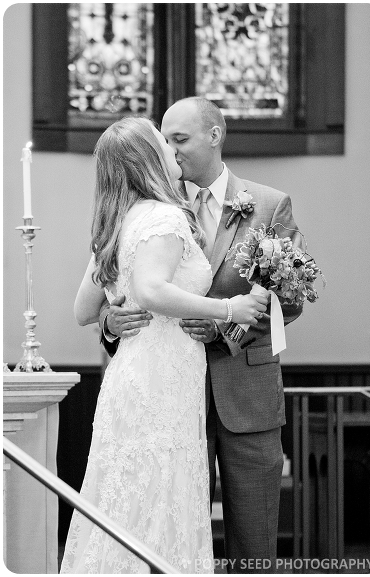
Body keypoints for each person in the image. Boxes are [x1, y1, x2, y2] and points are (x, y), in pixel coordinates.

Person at [99, 97, 304, 573]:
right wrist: (111, 325)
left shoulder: (269, 205)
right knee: (173, 534)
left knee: (254, 548)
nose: (170, 151)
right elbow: (117, 282)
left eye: (180, 139)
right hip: (170, 403)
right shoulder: (151, 208)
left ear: (215, 135)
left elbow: (289, 298)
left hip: (245, 398)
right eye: (165, 140)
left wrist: (224, 327)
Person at [63, 116, 265, 573]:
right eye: (161, 141)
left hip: (134, 375)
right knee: (160, 492)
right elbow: (152, 289)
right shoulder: (165, 216)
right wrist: (229, 309)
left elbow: (81, 310)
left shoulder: (119, 222)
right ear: (146, 159)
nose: (171, 149)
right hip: (161, 382)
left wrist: (111, 312)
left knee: (130, 496)